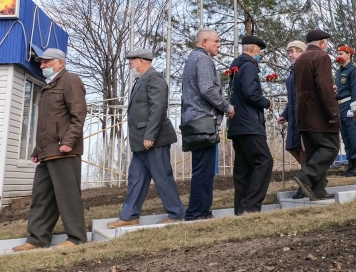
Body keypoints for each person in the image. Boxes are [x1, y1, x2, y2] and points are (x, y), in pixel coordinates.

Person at [12, 48, 87, 251]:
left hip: (64, 150)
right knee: (42, 196)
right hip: (48, 151)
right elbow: (46, 123)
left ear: (60, 63)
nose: (42, 66)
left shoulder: (70, 80)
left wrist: (69, 141)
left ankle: (76, 238)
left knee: (68, 195)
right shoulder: (48, 86)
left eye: (46, 62)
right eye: (41, 63)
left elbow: (78, 114)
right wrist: (38, 148)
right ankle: (37, 239)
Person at [107, 49, 184, 228]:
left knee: (162, 177)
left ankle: (176, 214)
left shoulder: (154, 78)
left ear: (142, 61)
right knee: (136, 179)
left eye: (132, 61)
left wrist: (150, 135)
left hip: (153, 141)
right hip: (140, 143)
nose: (130, 65)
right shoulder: (141, 80)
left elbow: (158, 108)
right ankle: (129, 216)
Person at [181, 29, 234, 221]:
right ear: (204, 42)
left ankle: (202, 211)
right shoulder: (203, 59)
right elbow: (207, 89)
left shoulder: (192, 58)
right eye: (216, 41)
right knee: (204, 171)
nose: (219, 45)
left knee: (201, 169)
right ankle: (197, 212)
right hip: (203, 121)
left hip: (194, 121)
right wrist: (227, 107)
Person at [227, 35, 274, 215]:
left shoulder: (236, 67)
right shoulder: (249, 66)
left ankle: (240, 209)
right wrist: (265, 102)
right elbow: (250, 93)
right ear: (253, 49)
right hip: (249, 124)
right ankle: (250, 206)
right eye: (260, 51)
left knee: (243, 168)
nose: (260, 54)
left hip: (237, 124)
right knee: (264, 161)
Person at [292, 29, 340, 201]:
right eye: (326, 42)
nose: (326, 45)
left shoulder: (299, 61)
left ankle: (318, 189)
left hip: (304, 115)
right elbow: (324, 87)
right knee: (331, 147)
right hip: (319, 115)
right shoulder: (321, 57)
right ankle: (305, 176)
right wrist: (333, 112)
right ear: (321, 43)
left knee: (314, 153)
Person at [277, 40, 307, 198]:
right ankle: (310, 179)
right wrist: (284, 114)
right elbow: (291, 98)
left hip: (304, 116)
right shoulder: (292, 72)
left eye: (295, 51)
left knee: (304, 151)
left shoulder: (304, 69)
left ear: (303, 52)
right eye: (289, 51)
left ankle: (306, 184)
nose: (291, 54)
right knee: (292, 146)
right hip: (293, 116)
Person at [335, 45, 356, 177]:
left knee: (353, 136)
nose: (338, 56)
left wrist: (354, 109)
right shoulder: (339, 71)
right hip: (340, 105)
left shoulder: (354, 71)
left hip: (349, 104)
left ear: (348, 55)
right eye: (338, 53)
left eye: (341, 53)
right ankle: (351, 165)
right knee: (346, 137)